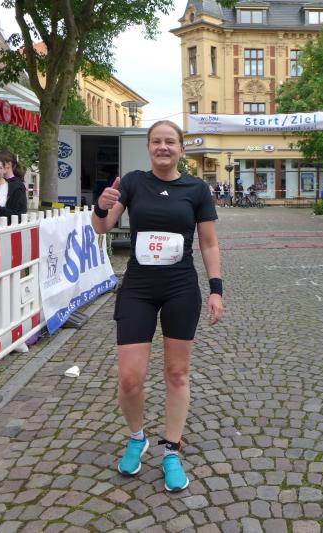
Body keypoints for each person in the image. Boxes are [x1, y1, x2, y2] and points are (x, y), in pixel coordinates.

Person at [91, 120, 223, 492]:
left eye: (170, 142)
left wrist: (216, 290)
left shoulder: (196, 189)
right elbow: (102, 227)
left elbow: (209, 243)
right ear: (149, 147)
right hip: (139, 288)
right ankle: (137, 437)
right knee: (129, 377)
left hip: (180, 287)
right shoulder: (133, 182)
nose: (163, 147)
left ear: (181, 148)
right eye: (156, 141)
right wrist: (100, 207)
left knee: (177, 374)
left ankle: (171, 451)